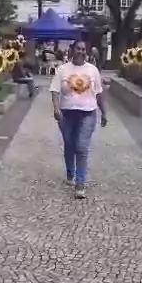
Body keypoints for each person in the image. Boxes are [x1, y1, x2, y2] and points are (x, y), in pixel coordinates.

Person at [50, 40, 107, 199]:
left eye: (83, 49)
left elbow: (99, 93)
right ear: (72, 50)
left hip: (88, 113)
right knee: (69, 144)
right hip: (67, 114)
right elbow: (54, 90)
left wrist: (104, 112)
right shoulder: (63, 69)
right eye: (78, 49)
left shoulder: (92, 70)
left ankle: (80, 183)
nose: (81, 51)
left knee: (81, 146)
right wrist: (56, 108)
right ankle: (70, 172)